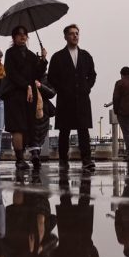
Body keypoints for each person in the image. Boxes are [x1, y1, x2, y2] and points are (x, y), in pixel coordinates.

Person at [48, 24, 97, 172]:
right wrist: (62, 89)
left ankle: (87, 160)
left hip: (82, 98)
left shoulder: (86, 56)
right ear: (65, 36)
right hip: (65, 99)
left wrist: (87, 87)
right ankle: (63, 159)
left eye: (77, 33)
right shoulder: (57, 57)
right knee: (64, 130)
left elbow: (92, 75)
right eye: (71, 33)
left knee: (83, 130)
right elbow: (51, 77)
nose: (75, 36)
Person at [3, 26, 48, 170]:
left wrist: (43, 59)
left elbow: (37, 74)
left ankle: (30, 155)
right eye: (19, 35)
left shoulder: (30, 55)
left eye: (25, 35)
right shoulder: (10, 53)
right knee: (18, 127)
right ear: (14, 38)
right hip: (14, 94)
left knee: (29, 125)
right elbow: (11, 74)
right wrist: (26, 86)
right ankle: (19, 159)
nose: (23, 37)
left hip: (29, 96)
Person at [26, 76, 56, 170]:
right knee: (33, 133)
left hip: (43, 110)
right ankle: (35, 154)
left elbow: (52, 93)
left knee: (41, 133)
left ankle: (36, 155)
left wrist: (40, 86)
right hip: (31, 109)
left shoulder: (47, 78)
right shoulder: (29, 75)